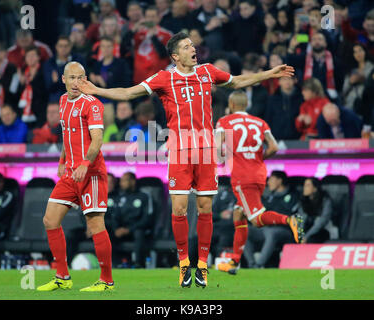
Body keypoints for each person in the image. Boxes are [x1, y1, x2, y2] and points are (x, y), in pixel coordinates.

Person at [77, 31, 294, 288]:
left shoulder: (208, 72)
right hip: (179, 151)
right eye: (187, 46)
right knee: (179, 208)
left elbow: (236, 82)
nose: (193, 49)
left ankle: (202, 265)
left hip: (205, 151)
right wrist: (97, 90)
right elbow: (128, 93)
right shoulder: (164, 78)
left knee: (204, 207)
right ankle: (183, 265)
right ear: (175, 56)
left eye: (193, 45)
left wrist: (269, 73)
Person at [36, 61, 113, 292]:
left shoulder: (93, 104)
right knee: (50, 220)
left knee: (95, 223)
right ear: (63, 79)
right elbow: (68, 136)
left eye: (80, 78)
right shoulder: (62, 101)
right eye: (72, 78)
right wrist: (62, 161)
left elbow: (97, 140)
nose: (76, 83)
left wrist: (85, 163)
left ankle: (106, 281)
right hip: (70, 173)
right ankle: (62, 276)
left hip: (92, 173)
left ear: (86, 79)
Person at [214, 90, 304, 275]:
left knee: (256, 219)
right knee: (239, 216)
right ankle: (234, 262)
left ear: (231, 105)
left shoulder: (224, 121)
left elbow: (216, 151)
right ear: (246, 105)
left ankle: (289, 220)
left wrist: (223, 158)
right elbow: (274, 147)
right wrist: (257, 158)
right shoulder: (260, 122)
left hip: (242, 176)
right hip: (259, 173)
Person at [244, 171, 300, 268]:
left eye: (271, 179)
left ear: (279, 181)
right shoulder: (270, 197)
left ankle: (259, 265)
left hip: (285, 230)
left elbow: (294, 216)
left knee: (272, 232)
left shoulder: (293, 196)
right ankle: (251, 264)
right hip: (265, 229)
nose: (268, 182)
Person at [107, 172, 153, 268]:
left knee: (139, 233)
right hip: (121, 230)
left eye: (124, 180)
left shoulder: (144, 197)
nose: (121, 183)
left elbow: (147, 218)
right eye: (121, 181)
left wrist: (129, 229)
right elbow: (114, 216)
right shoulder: (120, 198)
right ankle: (115, 264)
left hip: (137, 229)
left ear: (132, 181)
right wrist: (116, 229)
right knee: (108, 234)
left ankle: (138, 264)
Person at [43, 36, 85, 103]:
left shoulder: (79, 60)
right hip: (56, 101)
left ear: (70, 47)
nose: (63, 48)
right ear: (56, 47)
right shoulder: (49, 63)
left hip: (76, 100)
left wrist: (57, 81)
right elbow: (48, 86)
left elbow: (81, 83)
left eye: (66, 46)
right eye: (61, 46)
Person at [17, 46, 48, 128]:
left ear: (38, 57)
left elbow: (45, 91)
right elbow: (15, 94)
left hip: (41, 112)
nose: (30, 58)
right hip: (25, 112)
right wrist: (21, 83)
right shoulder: (23, 72)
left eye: (33, 55)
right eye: (28, 56)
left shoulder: (44, 70)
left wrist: (32, 82)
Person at [265, 76, 303, 140]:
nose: (287, 81)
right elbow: (268, 118)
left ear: (294, 81)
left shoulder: (301, 98)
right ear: (279, 82)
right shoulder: (272, 99)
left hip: (297, 138)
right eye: (284, 79)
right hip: (276, 138)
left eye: (289, 79)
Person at [298, 178, 333, 243]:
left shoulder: (325, 200)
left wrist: (306, 236)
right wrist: (301, 236)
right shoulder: (303, 202)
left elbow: (322, 222)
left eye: (308, 185)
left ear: (315, 188)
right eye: (304, 185)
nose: (304, 188)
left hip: (322, 231)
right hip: (306, 230)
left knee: (311, 240)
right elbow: (301, 220)